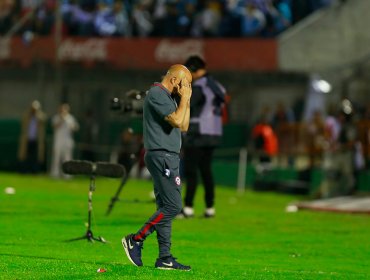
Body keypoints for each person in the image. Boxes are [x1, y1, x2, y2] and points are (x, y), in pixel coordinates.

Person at [122, 64, 192, 270]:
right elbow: (178, 120)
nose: (187, 87)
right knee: (173, 206)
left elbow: (185, 125)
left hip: (168, 156)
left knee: (164, 207)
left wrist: (184, 99)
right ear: (174, 80)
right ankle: (136, 239)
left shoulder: (170, 98)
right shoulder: (156, 93)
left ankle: (165, 257)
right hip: (162, 156)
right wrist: (185, 99)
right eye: (185, 83)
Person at [180, 55, 226, 218]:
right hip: (214, 132)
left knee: (191, 171)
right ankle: (210, 207)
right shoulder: (217, 85)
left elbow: (188, 105)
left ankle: (188, 207)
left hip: (198, 132)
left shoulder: (199, 85)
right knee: (206, 170)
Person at [50, 103, 79, 178]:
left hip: (67, 141)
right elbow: (54, 126)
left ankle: (67, 175)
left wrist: (72, 126)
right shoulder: (56, 117)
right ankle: (55, 174)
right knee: (56, 158)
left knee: (67, 158)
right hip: (58, 141)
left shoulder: (70, 118)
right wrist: (61, 119)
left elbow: (75, 128)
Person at [18, 100, 47, 173]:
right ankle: (24, 170)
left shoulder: (40, 117)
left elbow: (43, 119)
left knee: (36, 157)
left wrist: (37, 114)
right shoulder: (27, 116)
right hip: (27, 139)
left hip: (36, 140)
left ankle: (34, 171)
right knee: (25, 156)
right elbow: (23, 121)